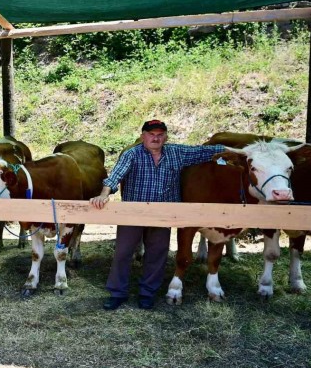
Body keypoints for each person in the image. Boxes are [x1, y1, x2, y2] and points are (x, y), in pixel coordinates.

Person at [90, 119, 226, 311]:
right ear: (143, 136)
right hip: (133, 212)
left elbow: (205, 151)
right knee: (123, 253)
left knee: (157, 254)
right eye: (151, 134)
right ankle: (117, 293)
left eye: (160, 135)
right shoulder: (132, 154)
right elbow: (115, 176)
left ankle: (147, 294)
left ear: (166, 137)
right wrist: (104, 194)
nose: (156, 138)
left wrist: (241, 149)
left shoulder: (176, 153)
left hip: (163, 214)